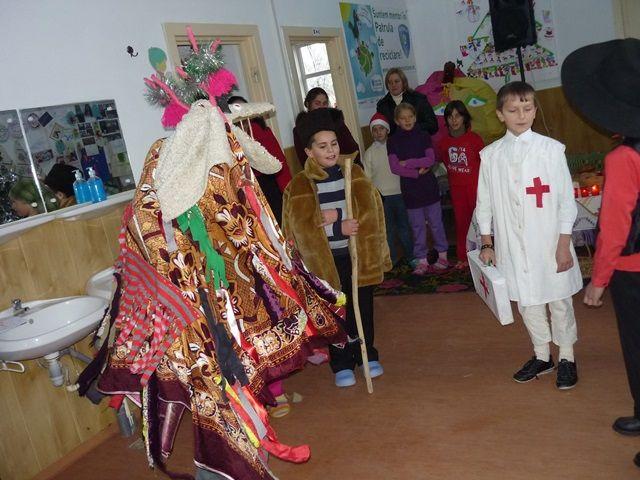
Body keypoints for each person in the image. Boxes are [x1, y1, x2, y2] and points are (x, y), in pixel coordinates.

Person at [476, 81, 582, 390]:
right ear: (500, 115)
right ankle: (542, 355)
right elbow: (484, 203)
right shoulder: (491, 156)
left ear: (535, 111)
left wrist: (563, 244)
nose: (521, 116)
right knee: (527, 301)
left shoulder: (551, 150)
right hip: (513, 244)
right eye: (513, 110)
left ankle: (567, 356)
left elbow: (566, 201)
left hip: (549, 242)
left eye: (527, 108)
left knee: (558, 299)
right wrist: (487, 242)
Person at [566, 39, 640, 464]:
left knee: (638, 347)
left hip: (634, 270)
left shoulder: (624, 157)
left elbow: (615, 227)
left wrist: (598, 281)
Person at [282, 107, 391, 387]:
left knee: (361, 307)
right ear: (309, 152)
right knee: (335, 312)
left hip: (357, 255)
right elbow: (300, 228)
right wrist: (336, 227)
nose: (331, 150)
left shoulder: (352, 173)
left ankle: (366, 354)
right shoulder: (299, 186)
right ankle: (341, 361)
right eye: (322, 146)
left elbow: (372, 210)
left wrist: (340, 216)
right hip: (325, 262)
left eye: (333, 144)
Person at [388, 103, 448, 274]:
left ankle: (442, 256)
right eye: (403, 118)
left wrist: (407, 163)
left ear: (415, 117)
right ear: (397, 121)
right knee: (417, 227)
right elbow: (394, 167)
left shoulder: (423, 135)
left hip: (429, 188)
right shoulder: (393, 141)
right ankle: (421, 259)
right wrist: (416, 172)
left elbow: (430, 160)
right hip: (410, 191)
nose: (407, 120)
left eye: (410, 117)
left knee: (436, 224)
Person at [228, 95, 292, 224]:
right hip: (244, 190)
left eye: (244, 109)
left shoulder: (262, 132)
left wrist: (290, 192)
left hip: (269, 185)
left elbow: (280, 163)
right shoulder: (229, 138)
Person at [362, 112, 413, 266]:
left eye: (381, 129)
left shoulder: (396, 147)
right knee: (388, 229)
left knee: (405, 227)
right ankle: (392, 258)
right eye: (375, 129)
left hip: (400, 193)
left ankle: (411, 256)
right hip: (382, 198)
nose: (378, 132)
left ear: (387, 130)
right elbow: (367, 178)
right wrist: (373, 196)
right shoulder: (369, 153)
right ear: (372, 132)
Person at [438, 100, 485, 268]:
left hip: (475, 188)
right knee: (461, 222)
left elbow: (484, 164)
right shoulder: (443, 143)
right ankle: (463, 256)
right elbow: (444, 161)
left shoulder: (475, 139)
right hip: (457, 189)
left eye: (457, 116)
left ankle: (487, 252)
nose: (454, 120)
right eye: (450, 117)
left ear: (464, 117)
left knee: (481, 222)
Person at [292, 87, 360, 166]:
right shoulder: (301, 129)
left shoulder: (337, 122)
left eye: (324, 103)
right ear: (308, 104)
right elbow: (304, 160)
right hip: (319, 171)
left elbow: (352, 148)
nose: (321, 107)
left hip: (345, 167)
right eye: (317, 103)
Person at [376, 67, 438, 136]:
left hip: (418, 139)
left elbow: (433, 125)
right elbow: (381, 131)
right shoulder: (382, 106)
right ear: (387, 85)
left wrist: (412, 127)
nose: (393, 85)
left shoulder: (419, 99)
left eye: (396, 81)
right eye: (390, 82)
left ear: (403, 82)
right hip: (395, 142)